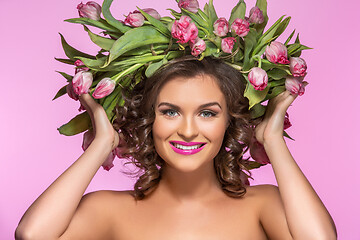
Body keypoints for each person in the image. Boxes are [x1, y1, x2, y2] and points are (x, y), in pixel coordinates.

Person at [15, 57, 337, 239]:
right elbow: (32, 236)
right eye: (170, 111)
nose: (186, 130)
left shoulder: (262, 204)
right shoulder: (108, 210)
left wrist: (272, 139)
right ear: (149, 121)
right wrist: (102, 144)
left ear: (230, 122)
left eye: (207, 113)